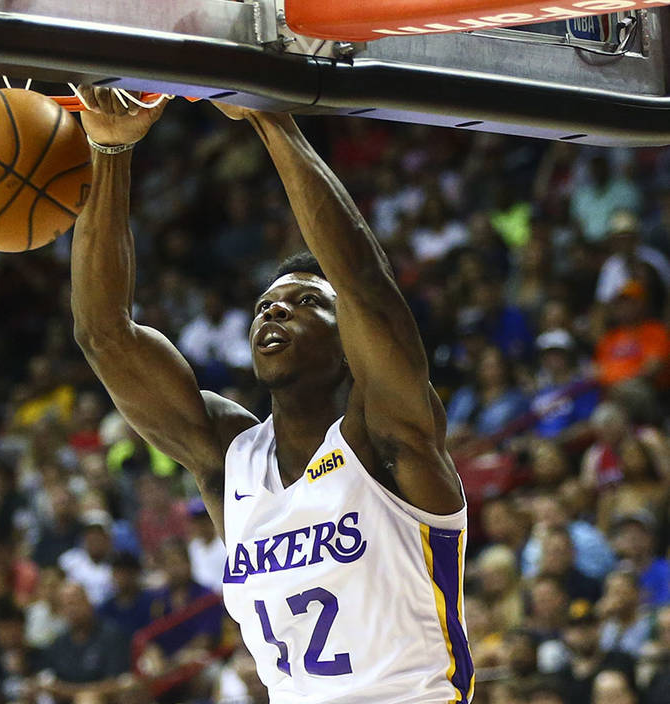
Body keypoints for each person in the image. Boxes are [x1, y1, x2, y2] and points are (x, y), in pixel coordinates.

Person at [71, 89, 472, 701]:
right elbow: (104, 334)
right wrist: (109, 147)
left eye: (308, 302)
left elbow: (364, 284)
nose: (276, 308)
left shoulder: (387, 433)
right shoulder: (229, 455)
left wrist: (267, 112)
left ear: (351, 344)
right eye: (265, 305)